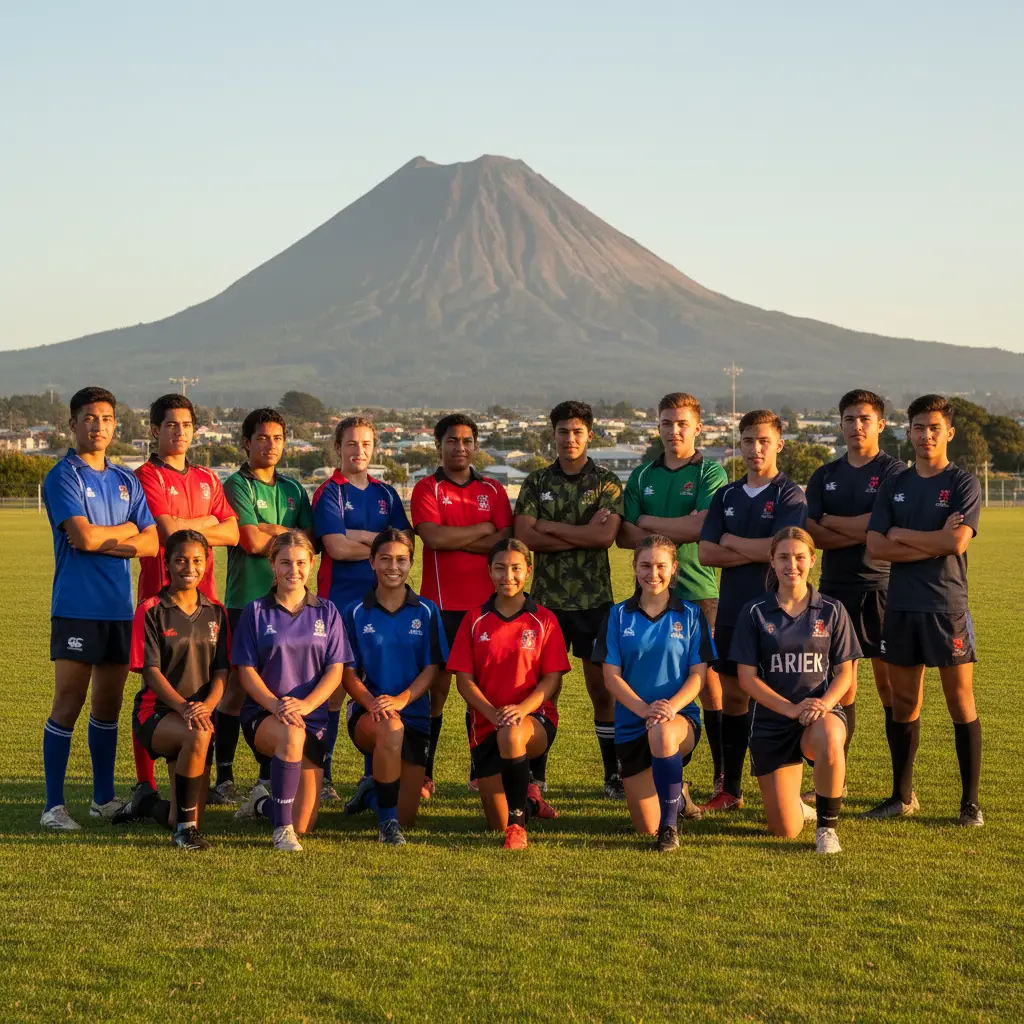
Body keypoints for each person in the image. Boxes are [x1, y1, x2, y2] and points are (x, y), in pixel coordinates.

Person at [41, 386, 158, 831]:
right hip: (75, 606)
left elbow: (150, 543)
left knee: (107, 706)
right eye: (90, 418)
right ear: (73, 425)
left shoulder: (127, 479)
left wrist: (114, 538)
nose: (99, 425)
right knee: (67, 704)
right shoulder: (64, 475)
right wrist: (126, 532)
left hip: (118, 609)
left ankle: (103, 799)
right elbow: (82, 539)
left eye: (107, 418)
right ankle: (54, 806)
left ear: (115, 425)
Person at [864, 394, 983, 826]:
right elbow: (875, 547)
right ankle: (901, 796)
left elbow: (955, 544)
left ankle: (969, 803)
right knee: (902, 704)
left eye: (934, 427)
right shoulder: (895, 484)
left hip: (945, 606)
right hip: (900, 607)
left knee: (960, 701)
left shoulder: (964, 483)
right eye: (918, 427)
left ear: (948, 432)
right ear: (908, 431)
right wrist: (927, 539)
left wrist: (901, 534)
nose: (925, 435)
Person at [125, 392, 238, 809]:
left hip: (204, 601)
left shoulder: (208, 478)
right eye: (171, 425)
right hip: (161, 599)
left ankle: (192, 779)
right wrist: (209, 522)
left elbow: (235, 532)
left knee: (205, 685)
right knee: (154, 686)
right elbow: (170, 532)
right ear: (155, 431)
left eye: (187, 425)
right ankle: (145, 783)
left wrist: (196, 527)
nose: (180, 432)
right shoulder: (146, 476)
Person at [617, 392, 728, 799]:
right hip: (648, 596)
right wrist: (672, 527)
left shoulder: (710, 473)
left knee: (709, 687)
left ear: (698, 428)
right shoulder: (642, 475)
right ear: (658, 426)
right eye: (667, 422)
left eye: (682, 423)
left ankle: (721, 777)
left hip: (699, 592)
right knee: (651, 683)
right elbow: (622, 535)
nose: (674, 430)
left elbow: (701, 527)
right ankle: (665, 778)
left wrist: (646, 521)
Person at [698, 409, 807, 812]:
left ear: (779, 444)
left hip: (778, 614)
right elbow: (706, 552)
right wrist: (756, 549)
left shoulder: (789, 494)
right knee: (734, 700)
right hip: (732, 612)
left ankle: (779, 788)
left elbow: (779, 552)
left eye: (763, 440)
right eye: (748, 440)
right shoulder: (725, 494)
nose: (755, 448)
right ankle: (731, 789)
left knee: (777, 698)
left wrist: (730, 538)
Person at [514, 400, 624, 797]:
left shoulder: (607, 481)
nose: (570, 438)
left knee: (602, 690)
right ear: (553, 434)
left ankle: (612, 775)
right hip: (547, 604)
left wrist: (549, 527)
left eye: (577, 431)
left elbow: (603, 538)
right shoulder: (537, 482)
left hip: (595, 601)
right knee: (544, 689)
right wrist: (578, 531)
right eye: (563, 431)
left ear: (589, 434)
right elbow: (525, 536)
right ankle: (535, 777)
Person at [730, 527, 860, 854]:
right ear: (771, 562)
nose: (793, 565)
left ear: (812, 561)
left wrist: (825, 704)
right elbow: (747, 678)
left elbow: (845, 673)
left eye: (800, 557)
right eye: (784, 557)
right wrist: (790, 709)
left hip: (819, 715)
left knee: (831, 734)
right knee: (784, 830)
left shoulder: (832, 610)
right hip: (773, 722)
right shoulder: (755, 611)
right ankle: (798, 807)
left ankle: (827, 829)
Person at [410, 413, 513, 798]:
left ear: (476, 445)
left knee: (483, 694)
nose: (460, 447)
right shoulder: (426, 489)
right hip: (440, 608)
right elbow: (433, 539)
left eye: (467, 440)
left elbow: (504, 542)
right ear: (439, 445)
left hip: (486, 609)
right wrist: (482, 531)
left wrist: (460, 538)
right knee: (435, 693)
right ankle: (425, 773)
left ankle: (479, 772)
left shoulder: (495, 490)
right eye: (452, 440)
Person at [804, 389, 901, 793]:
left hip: (880, 587)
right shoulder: (825, 474)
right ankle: (834, 780)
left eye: (864, 419)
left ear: (880, 424)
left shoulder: (895, 472)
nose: (856, 426)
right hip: (833, 591)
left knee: (890, 685)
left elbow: (878, 528)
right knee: (840, 685)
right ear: (840, 424)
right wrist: (863, 527)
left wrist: (836, 523)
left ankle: (902, 786)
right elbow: (811, 530)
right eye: (849, 419)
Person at [231, 531, 352, 852]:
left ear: (311, 564)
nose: (293, 570)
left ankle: (262, 804)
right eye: (284, 562)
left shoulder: (327, 612)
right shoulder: (255, 612)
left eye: (300, 563)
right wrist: (276, 705)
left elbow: (335, 670)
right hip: (267, 716)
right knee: (291, 735)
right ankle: (282, 831)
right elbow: (245, 671)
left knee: (306, 823)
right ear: (272, 564)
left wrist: (307, 705)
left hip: (313, 720)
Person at [216, 409, 313, 806]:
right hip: (245, 602)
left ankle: (264, 775)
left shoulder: (294, 489)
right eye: (261, 438)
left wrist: (271, 531)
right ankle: (223, 776)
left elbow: (309, 541)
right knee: (236, 689)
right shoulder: (236, 484)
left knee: (279, 688)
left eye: (276, 438)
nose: (269, 445)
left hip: (288, 605)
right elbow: (251, 542)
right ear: (246, 442)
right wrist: (286, 534)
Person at [593, 536, 714, 852]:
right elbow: (611, 677)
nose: (653, 573)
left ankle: (670, 828)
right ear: (634, 567)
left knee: (661, 733)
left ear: (674, 568)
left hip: (677, 720)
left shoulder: (690, 614)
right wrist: (645, 710)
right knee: (643, 825)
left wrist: (668, 709)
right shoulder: (617, 615)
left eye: (661, 566)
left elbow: (698, 676)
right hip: (633, 724)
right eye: (645, 565)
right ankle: (680, 793)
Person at [312, 416, 410, 802]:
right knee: (334, 691)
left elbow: (405, 546)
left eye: (366, 444)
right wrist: (380, 544)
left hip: (381, 607)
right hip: (337, 606)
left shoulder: (386, 492)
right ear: (337, 448)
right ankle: (324, 775)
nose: (359, 451)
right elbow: (335, 546)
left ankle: (373, 775)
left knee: (378, 688)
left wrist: (361, 538)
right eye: (351, 444)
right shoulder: (329, 492)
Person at [448, 539, 566, 850]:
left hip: (532, 721)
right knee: (493, 822)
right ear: (489, 571)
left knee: (513, 734)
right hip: (487, 724)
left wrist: (521, 710)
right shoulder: (474, 619)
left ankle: (517, 827)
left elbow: (552, 680)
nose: (507, 576)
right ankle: (528, 803)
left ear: (528, 570)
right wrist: (493, 714)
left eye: (516, 568)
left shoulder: (544, 619)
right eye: (500, 568)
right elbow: (464, 681)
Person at [340, 529, 448, 845]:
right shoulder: (355, 611)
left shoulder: (426, 610)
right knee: (389, 728)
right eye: (385, 558)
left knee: (409, 816)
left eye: (401, 560)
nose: (393, 566)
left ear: (411, 563)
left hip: (412, 714)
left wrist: (401, 699)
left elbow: (432, 668)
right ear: (372, 562)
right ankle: (387, 827)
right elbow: (347, 673)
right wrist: (373, 702)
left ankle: (371, 793)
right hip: (367, 713)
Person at [123, 530, 229, 850]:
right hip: (158, 714)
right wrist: (185, 707)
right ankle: (185, 834)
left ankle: (146, 804)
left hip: (201, 716)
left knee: (182, 811)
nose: (189, 567)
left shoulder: (216, 612)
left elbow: (222, 671)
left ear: (207, 563)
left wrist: (207, 705)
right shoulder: (151, 608)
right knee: (195, 737)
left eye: (197, 560)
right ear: (166, 563)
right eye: (180, 560)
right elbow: (151, 672)